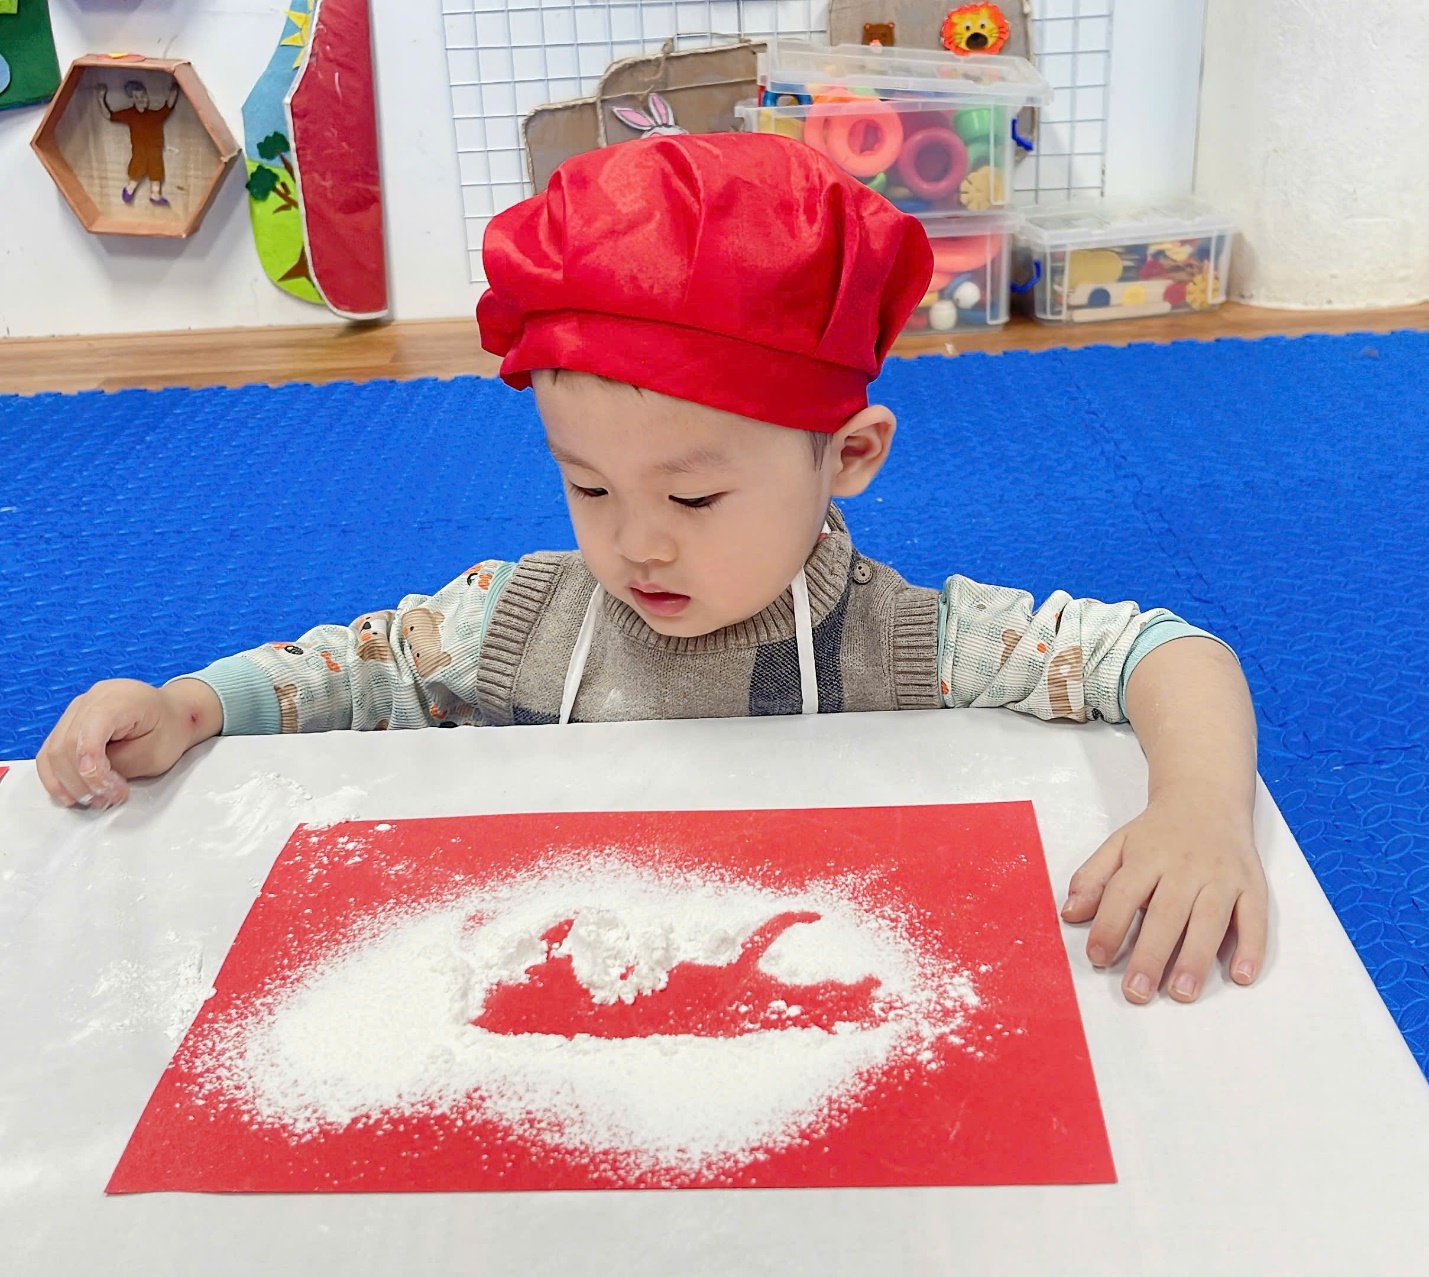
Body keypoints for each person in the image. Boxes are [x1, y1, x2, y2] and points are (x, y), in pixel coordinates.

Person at [36, 133, 1267, 1007]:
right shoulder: (512, 623)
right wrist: (189, 703)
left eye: (690, 494)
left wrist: (1200, 815)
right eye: (587, 486)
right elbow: (345, 673)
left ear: (848, 455)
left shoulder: (905, 641)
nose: (637, 542)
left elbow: (1162, 653)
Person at [98, 78, 180, 207]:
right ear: (132, 100)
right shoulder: (130, 114)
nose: (142, 99)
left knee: (156, 170)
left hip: (155, 150)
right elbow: (109, 116)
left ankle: (155, 195)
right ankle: (129, 189)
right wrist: (101, 98)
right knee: (138, 170)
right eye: (137, 96)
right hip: (140, 150)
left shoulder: (155, 116)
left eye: (143, 95)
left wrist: (174, 90)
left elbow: (168, 107)